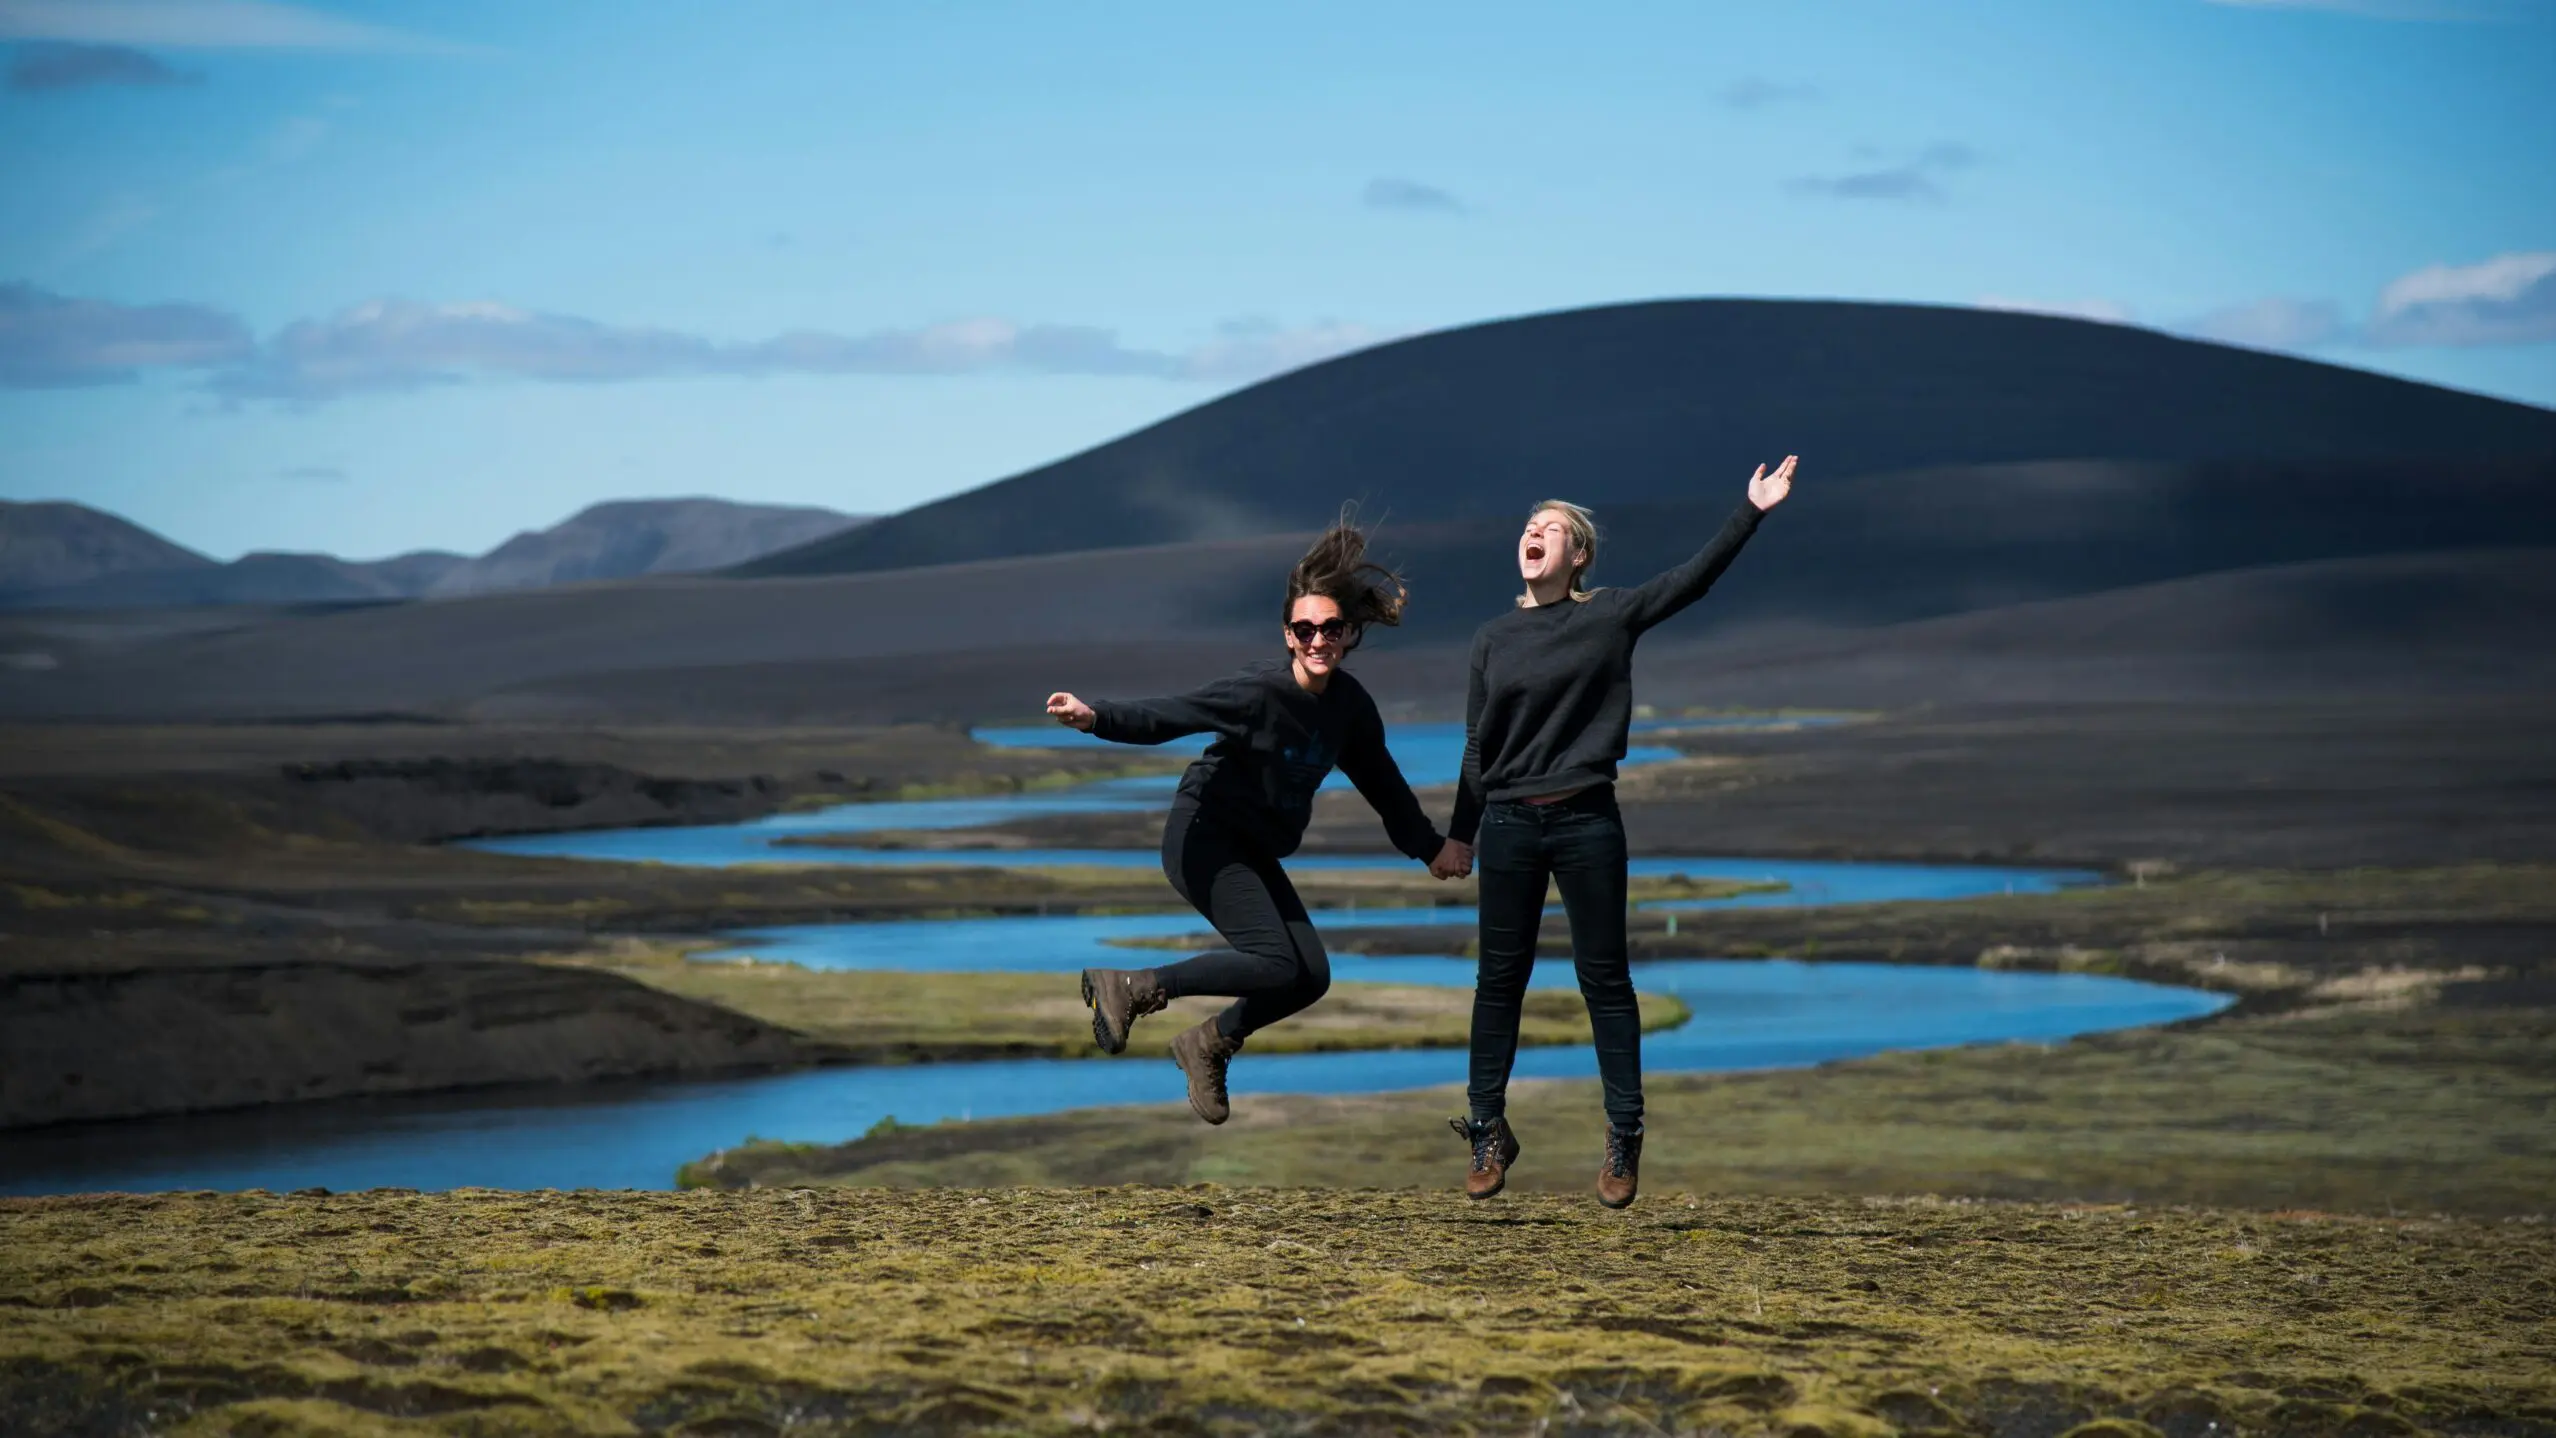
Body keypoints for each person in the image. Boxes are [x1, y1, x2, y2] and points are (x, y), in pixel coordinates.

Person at [1449, 456, 1797, 1207]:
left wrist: (1751, 511)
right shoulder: (1492, 638)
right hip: (1508, 824)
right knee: (1497, 982)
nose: (1535, 533)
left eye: (1552, 529)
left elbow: (1692, 581)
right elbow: (1477, 746)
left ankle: (1624, 1136)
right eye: (1530, 526)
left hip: (1586, 821)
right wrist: (1459, 835)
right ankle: (1486, 1129)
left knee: (1604, 979)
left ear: (1578, 555)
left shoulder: (1609, 614)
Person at [1046, 517, 1473, 1125]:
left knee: (1309, 976)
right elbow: (1174, 714)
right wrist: (1096, 718)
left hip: (1251, 848)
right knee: (1275, 961)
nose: (1318, 640)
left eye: (1330, 628)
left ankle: (1208, 1041)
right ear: (1288, 636)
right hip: (1203, 837)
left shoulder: (1349, 709)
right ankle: (1134, 987)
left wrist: (1429, 848)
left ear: (1348, 634)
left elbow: (1384, 785)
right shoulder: (1259, 693)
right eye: (1305, 630)